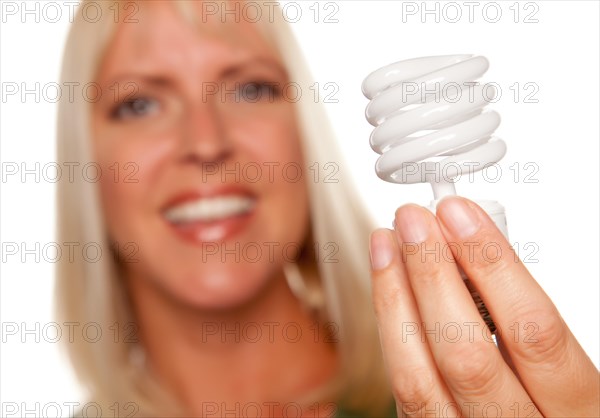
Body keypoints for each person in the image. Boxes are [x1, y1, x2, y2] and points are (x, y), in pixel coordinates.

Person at [54, 1, 599, 417]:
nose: (205, 142)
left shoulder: (492, 394)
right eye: (140, 103)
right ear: (85, 160)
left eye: (248, 90)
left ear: (302, 133)